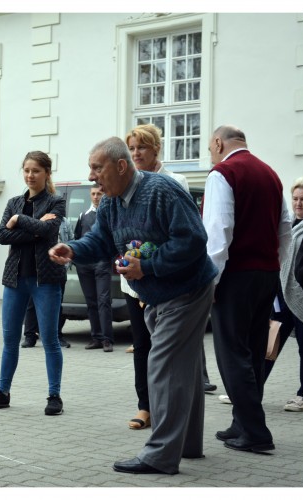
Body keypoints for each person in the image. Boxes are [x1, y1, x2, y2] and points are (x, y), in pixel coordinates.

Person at [49, 137, 216, 474]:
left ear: (120, 166)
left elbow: (194, 240)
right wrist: (74, 250)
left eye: (97, 168)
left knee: (164, 367)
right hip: (158, 294)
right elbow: (101, 240)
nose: (92, 176)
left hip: (187, 290)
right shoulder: (111, 203)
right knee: (182, 369)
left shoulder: (162, 191)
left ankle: (160, 455)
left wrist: (148, 267)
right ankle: (188, 445)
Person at [202, 125, 292, 454]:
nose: (210, 152)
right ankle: (242, 423)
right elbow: (285, 228)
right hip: (265, 273)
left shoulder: (223, 173)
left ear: (217, 142)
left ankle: (254, 430)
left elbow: (219, 231)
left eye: (210, 147)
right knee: (253, 351)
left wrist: (211, 280)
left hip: (235, 274)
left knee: (231, 354)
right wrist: (275, 267)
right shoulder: (270, 174)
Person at [123, 124, 216, 432]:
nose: (136, 153)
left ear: (156, 150)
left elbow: (185, 238)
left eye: (142, 148)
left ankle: (172, 426)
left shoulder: (172, 182)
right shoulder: (125, 186)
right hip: (136, 281)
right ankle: (145, 406)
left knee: (168, 357)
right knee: (142, 345)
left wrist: (149, 266)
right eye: (132, 148)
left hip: (171, 282)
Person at [0, 151, 67, 416]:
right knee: (10, 339)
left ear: (46, 173)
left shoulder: (56, 202)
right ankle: (2, 392)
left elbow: (48, 232)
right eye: (27, 170)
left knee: (50, 339)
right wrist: (34, 227)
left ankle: (54, 396)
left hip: (46, 280)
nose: (30, 175)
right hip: (15, 279)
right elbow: (2, 236)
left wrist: (19, 222)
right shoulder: (14, 201)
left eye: (36, 171)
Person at [263, 177, 303, 411]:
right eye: (296, 198)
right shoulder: (288, 224)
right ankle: (251, 389)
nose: (298, 203)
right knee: (270, 343)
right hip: (282, 295)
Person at [73, 184, 114, 352]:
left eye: (99, 193)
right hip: (84, 266)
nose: (96, 196)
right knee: (91, 302)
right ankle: (96, 337)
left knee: (103, 300)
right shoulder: (83, 215)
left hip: (102, 264)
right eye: (93, 194)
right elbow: (77, 238)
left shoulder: (108, 215)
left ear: (104, 195)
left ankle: (107, 339)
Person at [21, 215, 73, 349]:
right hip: (38, 268)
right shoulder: (38, 219)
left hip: (58, 269)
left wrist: (66, 264)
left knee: (57, 304)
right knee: (32, 303)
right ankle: (30, 336)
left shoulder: (64, 221)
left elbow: (70, 240)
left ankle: (57, 336)